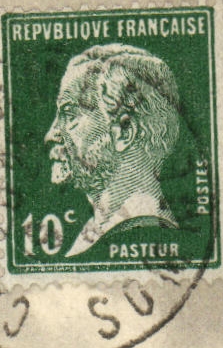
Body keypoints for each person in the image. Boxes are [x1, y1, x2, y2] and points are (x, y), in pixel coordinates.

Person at [43, 43, 182, 256]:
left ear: (124, 131)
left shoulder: (145, 233)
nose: (51, 135)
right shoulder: (96, 234)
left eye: (69, 114)